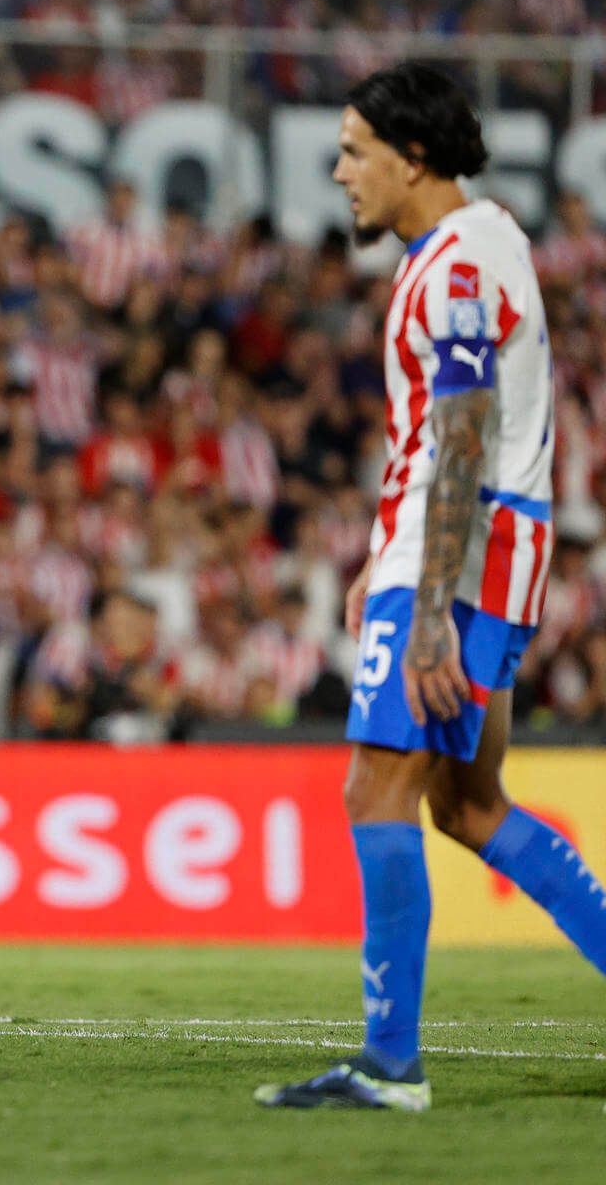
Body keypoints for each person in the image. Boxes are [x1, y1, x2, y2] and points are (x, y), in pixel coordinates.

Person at [256, 63, 602, 1111]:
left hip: (463, 551)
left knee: (377, 784)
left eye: (357, 149)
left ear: (414, 158)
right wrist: (382, 556)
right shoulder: (486, 238)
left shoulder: (452, 267)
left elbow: (459, 434)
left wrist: (431, 601)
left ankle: (389, 1065)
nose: (339, 170)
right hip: (482, 541)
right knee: (467, 801)